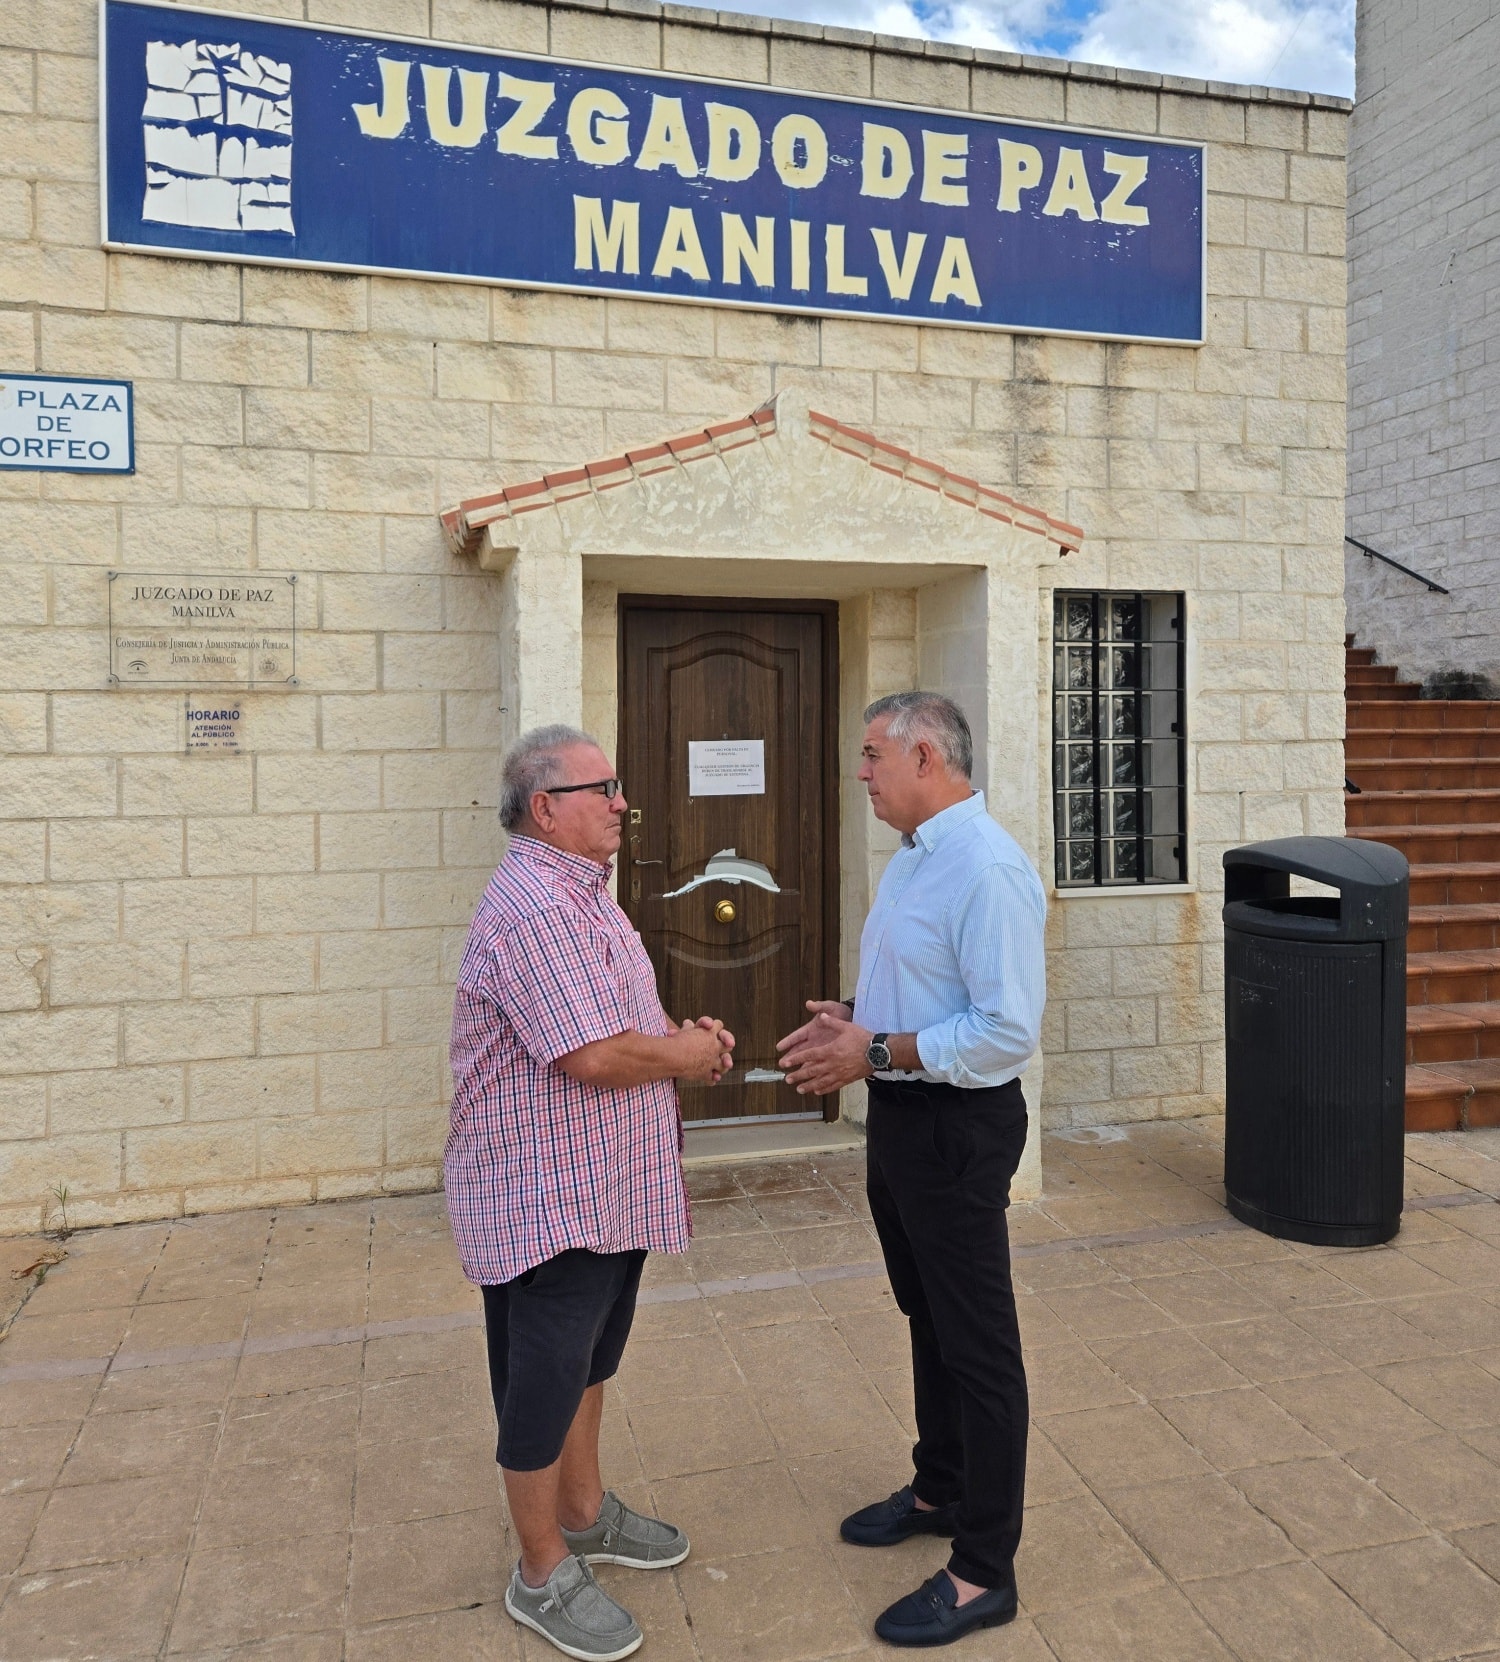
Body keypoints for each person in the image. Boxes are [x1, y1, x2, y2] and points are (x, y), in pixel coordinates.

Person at [445, 723, 735, 1662]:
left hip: (606, 1188)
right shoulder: (535, 907)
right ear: (544, 808)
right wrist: (684, 1054)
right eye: (601, 789)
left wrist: (683, 1040)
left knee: (588, 1361)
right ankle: (541, 1570)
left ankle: (583, 1511)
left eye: (617, 786)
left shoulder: (584, 894)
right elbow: (588, 1054)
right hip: (546, 1198)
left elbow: (619, 1021)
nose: (621, 802)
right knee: (540, 1380)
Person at [776, 691, 1046, 1649]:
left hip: (957, 1129)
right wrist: (858, 1019)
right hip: (902, 1120)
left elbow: (1005, 1029)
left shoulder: (987, 869)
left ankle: (984, 1571)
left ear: (925, 756)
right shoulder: (916, 857)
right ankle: (941, 1487)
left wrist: (877, 1051)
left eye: (871, 755)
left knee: (980, 1347)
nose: (860, 773)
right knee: (926, 1315)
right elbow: (934, 991)